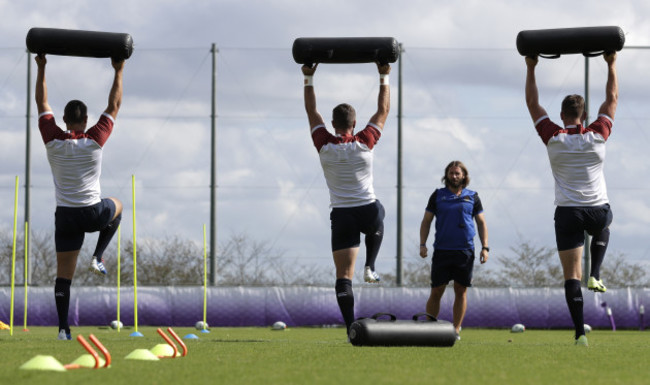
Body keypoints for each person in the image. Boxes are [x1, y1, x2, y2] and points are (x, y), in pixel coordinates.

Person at [525, 52, 618, 346]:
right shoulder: (597, 136)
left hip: (567, 213)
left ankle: (579, 333)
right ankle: (597, 272)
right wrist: (611, 62)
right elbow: (612, 98)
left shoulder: (554, 137)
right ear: (585, 115)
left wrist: (531, 67)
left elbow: (532, 104)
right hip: (596, 211)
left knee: (570, 276)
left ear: (563, 115)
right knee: (607, 221)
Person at [35, 54, 125, 340]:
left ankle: (63, 329)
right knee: (119, 205)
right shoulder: (95, 138)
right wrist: (118, 70)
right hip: (93, 213)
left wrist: (41, 66)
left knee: (64, 277)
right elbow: (114, 105)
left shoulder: (51, 139)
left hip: (66, 216)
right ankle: (98, 256)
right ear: (86, 120)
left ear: (63, 119)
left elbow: (41, 103)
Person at [302, 62, 390, 337]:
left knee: (343, 276)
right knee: (381, 212)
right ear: (354, 123)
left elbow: (311, 111)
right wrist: (384, 74)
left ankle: (351, 325)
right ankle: (371, 265)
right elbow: (383, 110)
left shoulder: (324, 145)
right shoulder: (364, 141)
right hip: (367, 210)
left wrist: (308, 77)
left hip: (341, 215)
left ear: (332, 124)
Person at [419, 161, 489, 340]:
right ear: (446, 175)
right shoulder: (438, 195)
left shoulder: (472, 196)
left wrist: (485, 247)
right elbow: (426, 220)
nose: (455, 176)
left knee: (461, 290)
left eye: (458, 173)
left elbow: (481, 223)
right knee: (436, 291)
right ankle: (430, 328)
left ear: (464, 176)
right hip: (442, 250)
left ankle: (456, 329)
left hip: (464, 251)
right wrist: (422, 244)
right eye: (451, 173)